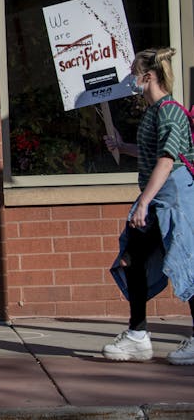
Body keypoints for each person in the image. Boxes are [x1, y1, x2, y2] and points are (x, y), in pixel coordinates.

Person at [102, 47, 194, 365]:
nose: (130, 80)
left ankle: (141, 334)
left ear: (148, 76)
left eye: (133, 73)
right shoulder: (154, 112)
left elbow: (167, 161)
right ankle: (138, 335)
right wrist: (123, 147)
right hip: (159, 200)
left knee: (186, 265)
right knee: (134, 259)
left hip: (174, 202)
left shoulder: (170, 111)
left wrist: (142, 204)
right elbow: (152, 153)